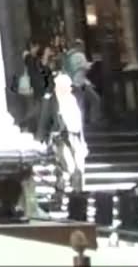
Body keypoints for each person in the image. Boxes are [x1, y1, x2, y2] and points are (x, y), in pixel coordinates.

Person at [39, 74, 89, 205]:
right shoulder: (50, 100)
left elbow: (80, 122)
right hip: (59, 137)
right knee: (65, 167)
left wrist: (83, 142)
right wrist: (41, 137)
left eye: (67, 86)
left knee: (79, 167)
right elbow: (44, 119)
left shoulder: (74, 99)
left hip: (75, 136)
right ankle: (59, 196)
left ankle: (77, 197)